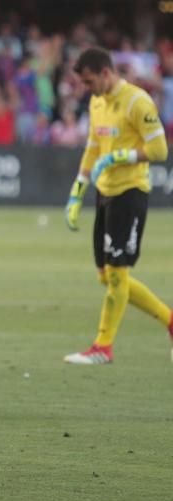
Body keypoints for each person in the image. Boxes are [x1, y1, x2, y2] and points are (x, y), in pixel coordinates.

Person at [63, 47, 173, 365]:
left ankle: (103, 346)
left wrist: (120, 156)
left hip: (130, 192)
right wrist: (77, 191)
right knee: (106, 275)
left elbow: (159, 149)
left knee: (117, 273)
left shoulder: (138, 102)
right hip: (104, 192)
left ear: (106, 73)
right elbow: (93, 147)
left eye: (88, 81)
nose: (86, 88)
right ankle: (170, 319)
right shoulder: (97, 102)